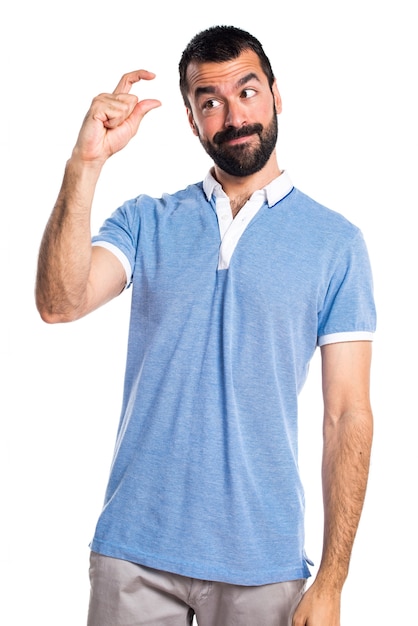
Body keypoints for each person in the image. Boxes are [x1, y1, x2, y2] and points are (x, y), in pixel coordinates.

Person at [35, 25, 376, 626]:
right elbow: (60, 302)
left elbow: (347, 414)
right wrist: (85, 164)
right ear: (192, 121)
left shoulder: (336, 244)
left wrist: (333, 579)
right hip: (133, 553)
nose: (233, 115)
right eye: (209, 102)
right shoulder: (146, 221)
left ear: (275, 95)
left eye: (247, 92)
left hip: (263, 563)